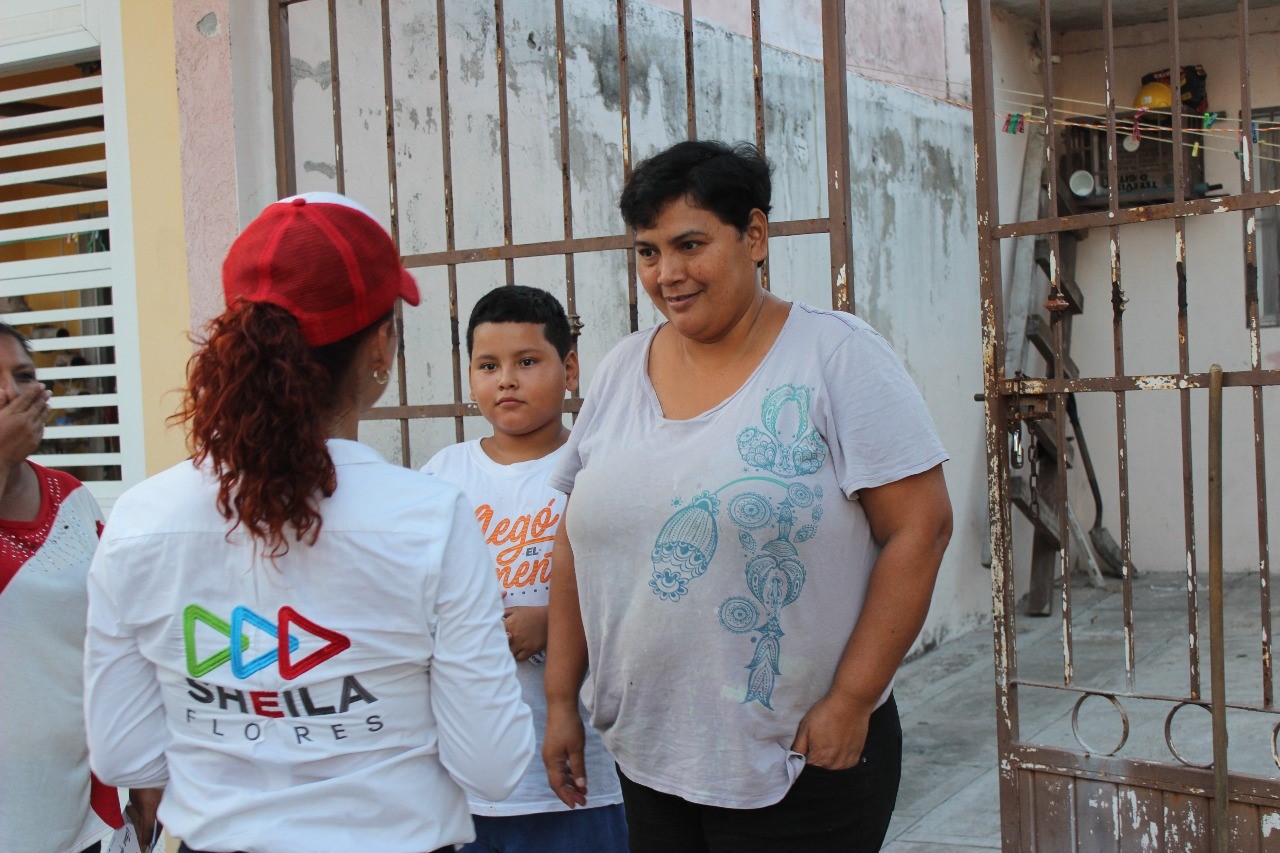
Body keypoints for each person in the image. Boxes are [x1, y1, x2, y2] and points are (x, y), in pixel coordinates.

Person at [84, 193, 534, 853]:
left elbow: (123, 753)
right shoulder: (429, 519)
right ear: (380, 345)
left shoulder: (141, 518)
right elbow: (492, 765)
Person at [541, 141, 954, 852]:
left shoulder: (835, 356)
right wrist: (560, 701)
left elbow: (921, 528)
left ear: (754, 236)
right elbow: (574, 543)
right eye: (647, 252)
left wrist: (852, 700)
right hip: (649, 751)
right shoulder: (620, 369)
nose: (667, 274)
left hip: (801, 754)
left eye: (690, 245)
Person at [421, 285, 627, 853]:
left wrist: (554, 623)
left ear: (570, 369)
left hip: (578, 771)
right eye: (488, 366)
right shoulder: (442, 474)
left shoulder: (597, 470)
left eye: (527, 362)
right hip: (465, 775)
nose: (506, 381)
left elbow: (636, 594)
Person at [0, 323, 156, 853]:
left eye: (24, 375)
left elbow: (124, 637)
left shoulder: (70, 498)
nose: (12, 393)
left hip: (82, 817)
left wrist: (146, 779)